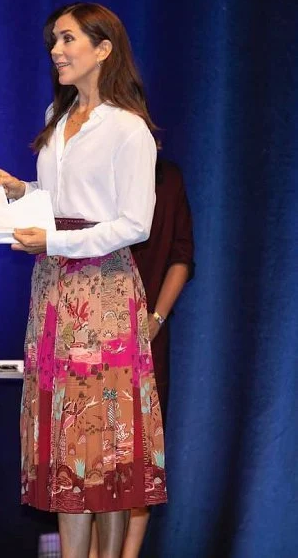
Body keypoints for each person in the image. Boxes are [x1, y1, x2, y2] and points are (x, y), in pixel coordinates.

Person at [0, 2, 166, 558]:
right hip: (53, 292)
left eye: (67, 40)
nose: (56, 51)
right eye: (53, 42)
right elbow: (59, 204)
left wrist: (58, 241)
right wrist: (22, 193)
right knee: (64, 437)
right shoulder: (57, 117)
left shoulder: (128, 128)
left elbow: (134, 223)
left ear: (103, 49)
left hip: (103, 294)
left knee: (104, 440)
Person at [113, 158, 194, 558]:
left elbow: (182, 255)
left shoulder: (166, 176)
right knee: (96, 455)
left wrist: (157, 318)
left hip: (147, 334)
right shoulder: (98, 169)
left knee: (140, 457)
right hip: (96, 328)